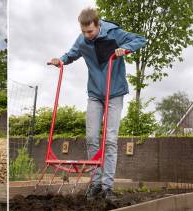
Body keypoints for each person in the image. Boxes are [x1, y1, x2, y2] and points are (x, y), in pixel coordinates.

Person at [49, 8, 146, 202]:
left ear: (98, 25)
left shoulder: (113, 33)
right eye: (84, 32)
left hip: (115, 92)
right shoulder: (82, 39)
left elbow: (140, 39)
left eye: (90, 31)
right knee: (92, 137)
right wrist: (60, 60)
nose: (87, 35)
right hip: (94, 94)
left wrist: (125, 49)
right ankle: (95, 183)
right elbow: (72, 54)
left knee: (109, 139)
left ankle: (107, 187)